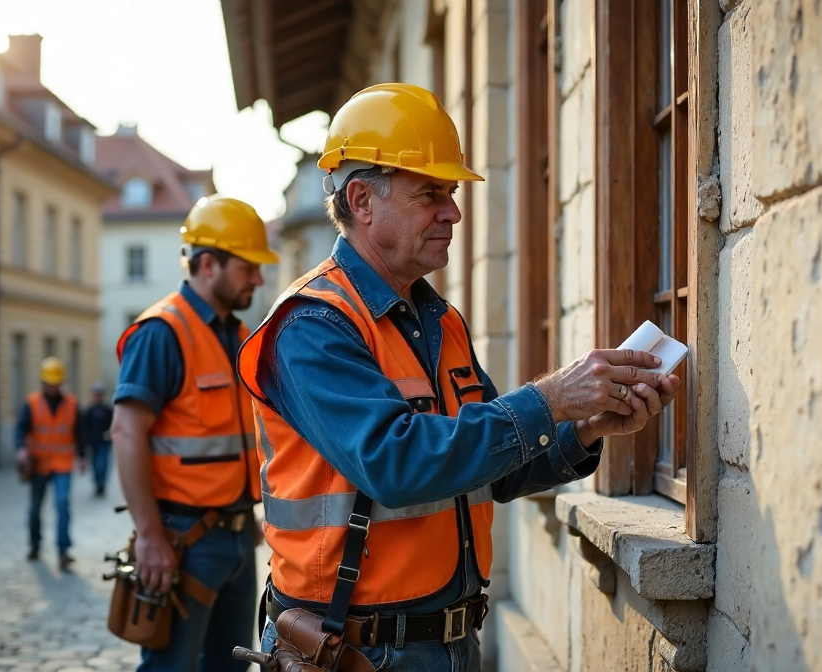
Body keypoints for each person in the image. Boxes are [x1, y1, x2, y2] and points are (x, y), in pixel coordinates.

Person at [236, 83, 681, 671]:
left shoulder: (438, 321)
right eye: (430, 194)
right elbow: (396, 463)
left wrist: (588, 427)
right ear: (362, 200)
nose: (454, 212)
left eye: (450, 192)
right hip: (354, 652)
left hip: (449, 644)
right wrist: (550, 398)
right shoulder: (311, 326)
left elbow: (496, 466)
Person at [110, 195, 278, 671]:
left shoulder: (237, 334)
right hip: (182, 540)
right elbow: (126, 432)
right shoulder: (161, 332)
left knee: (230, 666)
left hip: (239, 536)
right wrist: (148, 537)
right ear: (209, 264)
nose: (258, 279)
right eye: (249, 268)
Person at [16, 356, 83, 570]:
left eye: (55, 384)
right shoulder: (32, 403)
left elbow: (80, 432)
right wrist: (21, 450)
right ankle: (35, 544)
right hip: (39, 464)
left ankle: (63, 551)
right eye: (49, 384)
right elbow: (21, 428)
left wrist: (82, 456)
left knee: (63, 505)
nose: (52, 388)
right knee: (35, 508)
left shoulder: (72, 404)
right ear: (43, 382)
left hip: (63, 464)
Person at [81, 382, 115, 497]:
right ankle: (97, 483)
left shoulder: (107, 409)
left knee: (104, 464)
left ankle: (102, 484)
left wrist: (111, 438)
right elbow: (85, 426)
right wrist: (86, 440)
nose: (98, 396)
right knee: (95, 464)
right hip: (93, 442)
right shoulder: (90, 410)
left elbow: (112, 425)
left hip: (104, 442)